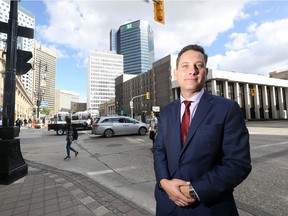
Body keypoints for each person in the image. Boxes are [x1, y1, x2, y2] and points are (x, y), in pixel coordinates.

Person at [152, 44, 252, 216]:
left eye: (198, 66)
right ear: (175, 73)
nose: (192, 71)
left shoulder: (227, 109)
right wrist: (163, 182)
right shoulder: (167, 111)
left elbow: (238, 163)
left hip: (210, 208)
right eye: (185, 66)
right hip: (167, 205)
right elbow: (159, 150)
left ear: (205, 72)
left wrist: (194, 190)